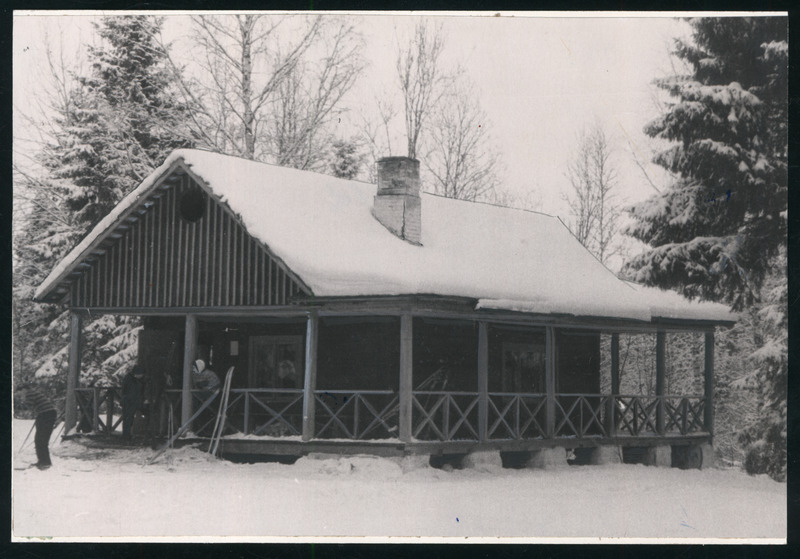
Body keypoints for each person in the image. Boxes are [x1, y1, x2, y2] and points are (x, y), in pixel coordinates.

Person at [23, 384, 58, 470]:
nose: (19, 394)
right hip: (47, 414)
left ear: (24, 389)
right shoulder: (34, 392)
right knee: (41, 439)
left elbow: (27, 406)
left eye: (19, 391)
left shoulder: (29, 393)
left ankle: (45, 462)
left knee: (40, 439)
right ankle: (44, 461)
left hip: (45, 415)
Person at [121, 365, 145, 440]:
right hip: (129, 401)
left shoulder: (131, 379)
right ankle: (126, 435)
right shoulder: (130, 379)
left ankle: (127, 435)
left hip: (133, 401)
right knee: (128, 419)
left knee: (128, 419)